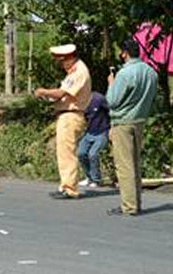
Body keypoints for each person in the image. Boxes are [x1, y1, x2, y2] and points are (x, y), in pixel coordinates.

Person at [106, 39, 158, 216]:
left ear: (125, 53)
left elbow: (112, 100)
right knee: (135, 162)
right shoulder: (150, 72)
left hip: (123, 121)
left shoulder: (125, 73)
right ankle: (136, 201)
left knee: (124, 165)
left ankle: (129, 205)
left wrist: (111, 83)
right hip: (140, 119)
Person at [35, 44, 92, 200]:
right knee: (64, 152)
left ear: (69, 58)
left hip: (71, 115)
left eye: (62, 61)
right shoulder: (75, 71)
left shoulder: (79, 72)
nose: (61, 65)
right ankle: (66, 185)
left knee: (67, 152)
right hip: (68, 115)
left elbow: (61, 93)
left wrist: (43, 91)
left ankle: (70, 188)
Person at [78, 91, 110, 188]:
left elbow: (111, 112)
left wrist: (112, 127)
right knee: (81, 153)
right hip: (89, 132)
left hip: (102, 131)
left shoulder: (98, 98)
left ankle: (96, 180)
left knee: (93, 154)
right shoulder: (79, 102)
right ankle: (89, 177)